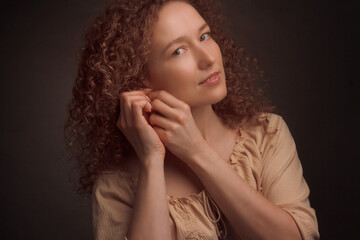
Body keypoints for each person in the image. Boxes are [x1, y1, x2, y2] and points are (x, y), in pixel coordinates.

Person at [64, 0, 320, 239]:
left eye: (204, 36)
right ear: (138, 80)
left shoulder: (266, 134)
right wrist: (151, 161)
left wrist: (196, 150)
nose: (208, 58)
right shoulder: (116, 184)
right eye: (178, 51)